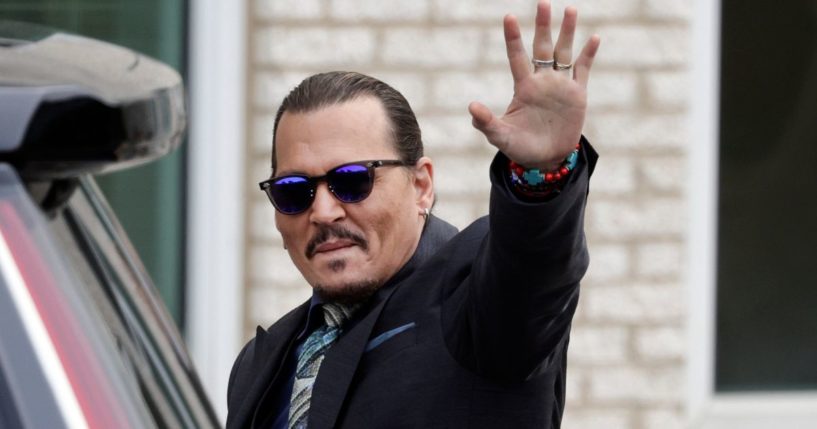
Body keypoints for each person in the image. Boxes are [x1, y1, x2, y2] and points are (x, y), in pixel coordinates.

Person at [227, 1, 600, 427]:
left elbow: (533, 268)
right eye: (295, 191)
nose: (324, 211)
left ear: (421, 186)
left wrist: (542, 173)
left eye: (352, 182)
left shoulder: (474, 299)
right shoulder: (261, 364)